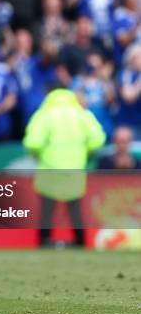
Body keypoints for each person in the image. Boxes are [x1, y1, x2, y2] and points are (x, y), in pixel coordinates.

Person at [23, 88, 106, 247]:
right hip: (75, 167)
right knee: (74, 209)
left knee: (47, 209)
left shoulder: (44, 114)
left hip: (49, 167)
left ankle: (44, 241)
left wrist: (39, 155)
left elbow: (32, 142)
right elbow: (98, 139)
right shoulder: (82, 114)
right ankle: (81, 241)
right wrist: (84, 152)